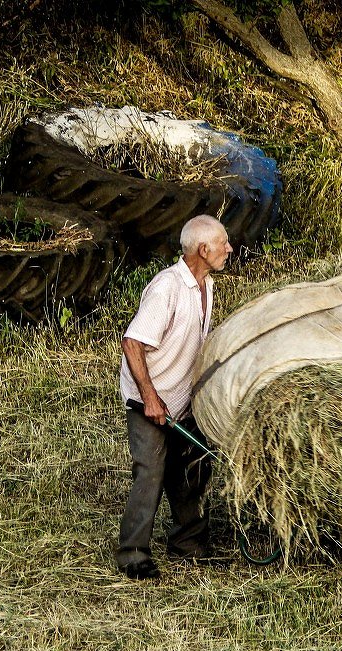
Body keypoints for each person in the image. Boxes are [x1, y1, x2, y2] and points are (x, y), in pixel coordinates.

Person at [117, 214, 233, 579]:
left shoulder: (206, 286)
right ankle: (133, 553)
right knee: (151, 472)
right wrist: (150, 399)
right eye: (223, 244)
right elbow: (132, 342)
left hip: (183, 402)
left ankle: (188, 543)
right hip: (149, 399)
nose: (229, 249)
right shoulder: (166, 287)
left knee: (192, 471)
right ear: (202, 249)